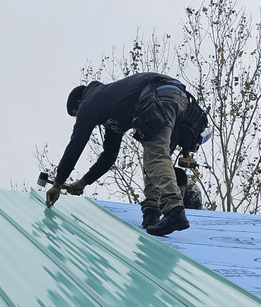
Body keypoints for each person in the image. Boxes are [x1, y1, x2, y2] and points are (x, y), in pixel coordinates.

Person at [45, 73, 194, 236]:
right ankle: (152, 214)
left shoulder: (91, 100)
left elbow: (76, 144)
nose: (80, 118)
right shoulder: (112, 110)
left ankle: (174, 212)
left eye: (77, 114)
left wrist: (58, 184)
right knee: (153, 159)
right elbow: (109, 156)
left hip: (160, 95)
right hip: (180, 100)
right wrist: (84, 181)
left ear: (81, 102)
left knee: (156, 157)